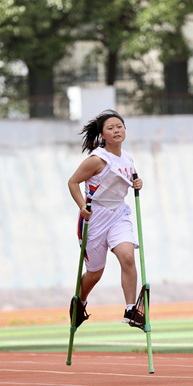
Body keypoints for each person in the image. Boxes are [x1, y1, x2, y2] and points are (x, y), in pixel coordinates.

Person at [67, 109, 143, 328]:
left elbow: (130, 178)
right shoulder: (97, 159)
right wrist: (82, 206)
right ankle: (79, 302)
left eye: (119, 126)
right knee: (95, 272)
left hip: (119, 214)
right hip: (95, 218)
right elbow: (73, 182)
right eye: (110, 128)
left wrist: (138, 183)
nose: (116, 131)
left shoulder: (127, 157)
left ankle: (131, 310)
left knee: (127, 257)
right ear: (103, 135)